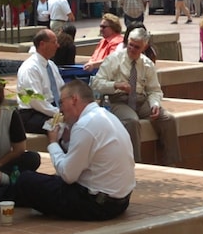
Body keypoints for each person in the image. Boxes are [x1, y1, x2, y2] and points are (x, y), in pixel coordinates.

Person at [12, 79, 135, 221]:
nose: (60, 110)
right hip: (121, 201)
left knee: (25, 180)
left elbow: (68, 175)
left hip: (99, 206)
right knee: (47, 182)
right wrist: (66, 140)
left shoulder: (84, 125)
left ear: (74, 100)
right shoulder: (107, 117)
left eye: (61, 103)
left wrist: (52, 143)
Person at [92, 28, 181, 166]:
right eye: (130, 45)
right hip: (117, 100)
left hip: (140, 100)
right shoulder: (113, 60)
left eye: (136, 47)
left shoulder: (147, 64)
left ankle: (171, 163)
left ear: (144, 47)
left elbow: (154, 90)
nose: (132, 49)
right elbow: (97, 83)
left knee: (168, 119)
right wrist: (116, 85)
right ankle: (135, 164)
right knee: (131, 121)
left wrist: (155, 104)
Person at [16, 29, 64, 133]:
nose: (58, 46)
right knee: (62, 128)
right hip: (33, 114)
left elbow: (62, 90)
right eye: (54, 42)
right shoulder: (30, 68)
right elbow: (36, 101)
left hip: (51, 109)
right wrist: (59, 113)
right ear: (42, 44)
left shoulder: (51, 65)